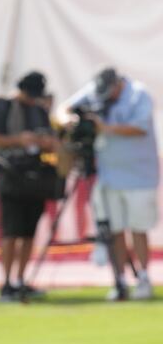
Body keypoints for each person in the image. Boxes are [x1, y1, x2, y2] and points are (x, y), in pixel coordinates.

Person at [58, 67, 158, 301]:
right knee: (113, 230)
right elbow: (63, 109)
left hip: (139, 175)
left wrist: (104, 128)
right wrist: (70, 121)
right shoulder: (94, 91)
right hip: (108, 175)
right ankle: (119, 280)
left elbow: (139, 128)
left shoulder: (138, 94)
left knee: (138, 228)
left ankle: (143, 278)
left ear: (118, 85)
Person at [0, 71, 56, 301]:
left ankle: (21, 280)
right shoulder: (2, 107)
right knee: (10, 232)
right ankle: (6, 282)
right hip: (10, 174)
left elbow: (51, 141)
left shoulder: (40, 111)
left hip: (35, 176)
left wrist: (44, 144)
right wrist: (19, 140)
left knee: (28, 232)